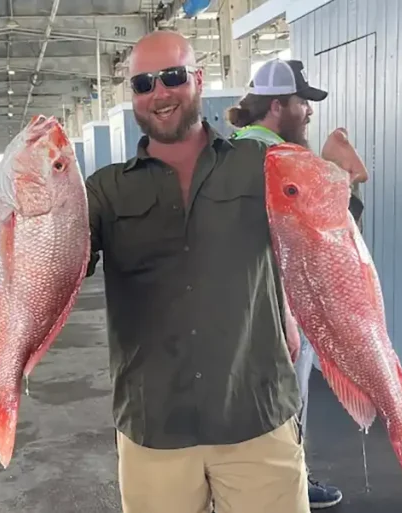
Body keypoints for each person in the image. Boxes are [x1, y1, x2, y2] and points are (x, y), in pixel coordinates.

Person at [85, 30, 310, 513]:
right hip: (154, 426)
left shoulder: (262, 164)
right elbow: (61, 266)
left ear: (199, 80)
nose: (159, 93)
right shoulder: (104, 191)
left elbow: (319, 241)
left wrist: (340, 176)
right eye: (144, 83)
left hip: (256, 416)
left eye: (172, 76)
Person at [227, 58, 369, 510]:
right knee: (290, 401)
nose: (309, 111)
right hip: (286, 303)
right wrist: (349, 183)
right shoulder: (280, 158)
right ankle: (293, 483)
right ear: (277, 106)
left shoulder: (235, 150)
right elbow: (325, 239)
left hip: (251, 302)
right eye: (302, 102)